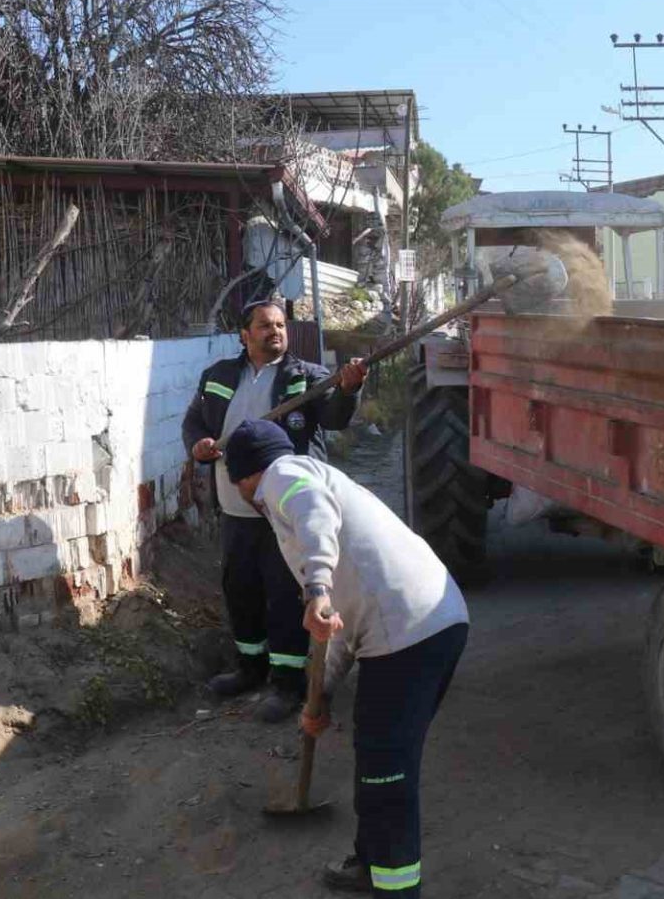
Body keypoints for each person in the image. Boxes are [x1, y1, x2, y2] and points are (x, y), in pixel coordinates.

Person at [224, 419, 468, 898]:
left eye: (237, 485)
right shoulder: (315, 483)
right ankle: (371, 862)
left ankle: (396, 889)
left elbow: (313, 512)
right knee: (378, 755)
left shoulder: (284, 477)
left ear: (244, 477)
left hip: (409, 635)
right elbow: (336, 629)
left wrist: (315, 586)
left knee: (387, 770)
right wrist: (320, 698)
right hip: (427, 625)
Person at [181, 297, 366, 720]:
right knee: (241, 589)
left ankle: (287, 682)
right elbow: (194, 421)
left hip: (284, 512)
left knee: (285, 594)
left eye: (280, 324)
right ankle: (250, 667)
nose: (276, 332)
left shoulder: (307, 377)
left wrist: (349, 389)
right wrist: (197, 445)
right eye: (265, 325)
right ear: (244, 335)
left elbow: (334, 417)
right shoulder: (219, 376)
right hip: (236, 510)